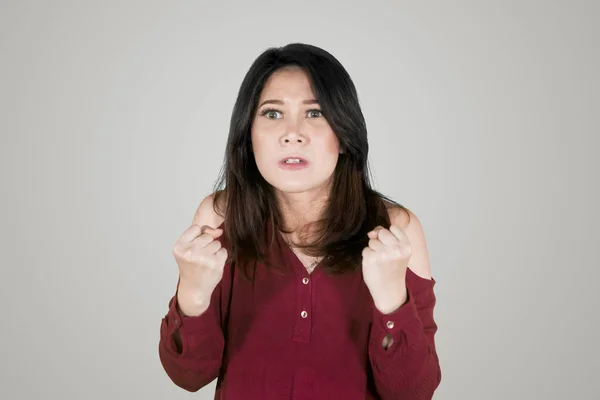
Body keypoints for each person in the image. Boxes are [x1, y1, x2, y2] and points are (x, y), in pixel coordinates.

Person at [158, 43, 441, 399]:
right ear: (249, 135)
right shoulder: (219, 217)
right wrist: (193, 295)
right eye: (272, 114)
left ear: (344, 134)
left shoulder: (396, 228)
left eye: (315, 113)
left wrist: (391, 301)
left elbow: (413, 393)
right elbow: (189, 375)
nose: (292, 133)